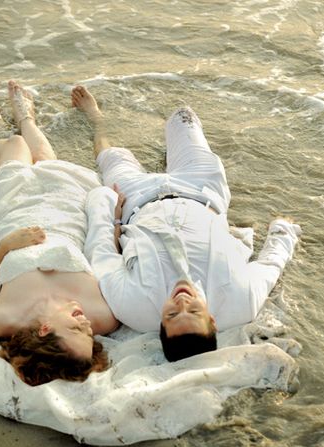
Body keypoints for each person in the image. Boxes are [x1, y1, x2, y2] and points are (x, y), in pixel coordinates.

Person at [74, 85, 301, 362]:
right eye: (194, 312)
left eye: (171, 314)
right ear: (213, 321)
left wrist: (112, 209)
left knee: (108, 156)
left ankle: (95, 116)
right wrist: (284, 229)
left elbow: (101, 252)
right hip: (201, 189)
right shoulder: (241, 300)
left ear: (160, 323)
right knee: (183, 115)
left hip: (135, 199)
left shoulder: (131, 305)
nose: (182, 302)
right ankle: (169, 145)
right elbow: (271, 264)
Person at [0, 80, 118, 386]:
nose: (87, 324)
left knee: (15, 147)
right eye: (90, 334)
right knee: (48, 162)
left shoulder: (6, 319)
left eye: (78, 329)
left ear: (45, 329)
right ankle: (26, 117)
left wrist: (7, 247)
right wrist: (113, 220)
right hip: (64, 216)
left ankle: (0, 128)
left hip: (15, 216)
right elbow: (108, 256)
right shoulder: (104, 316)